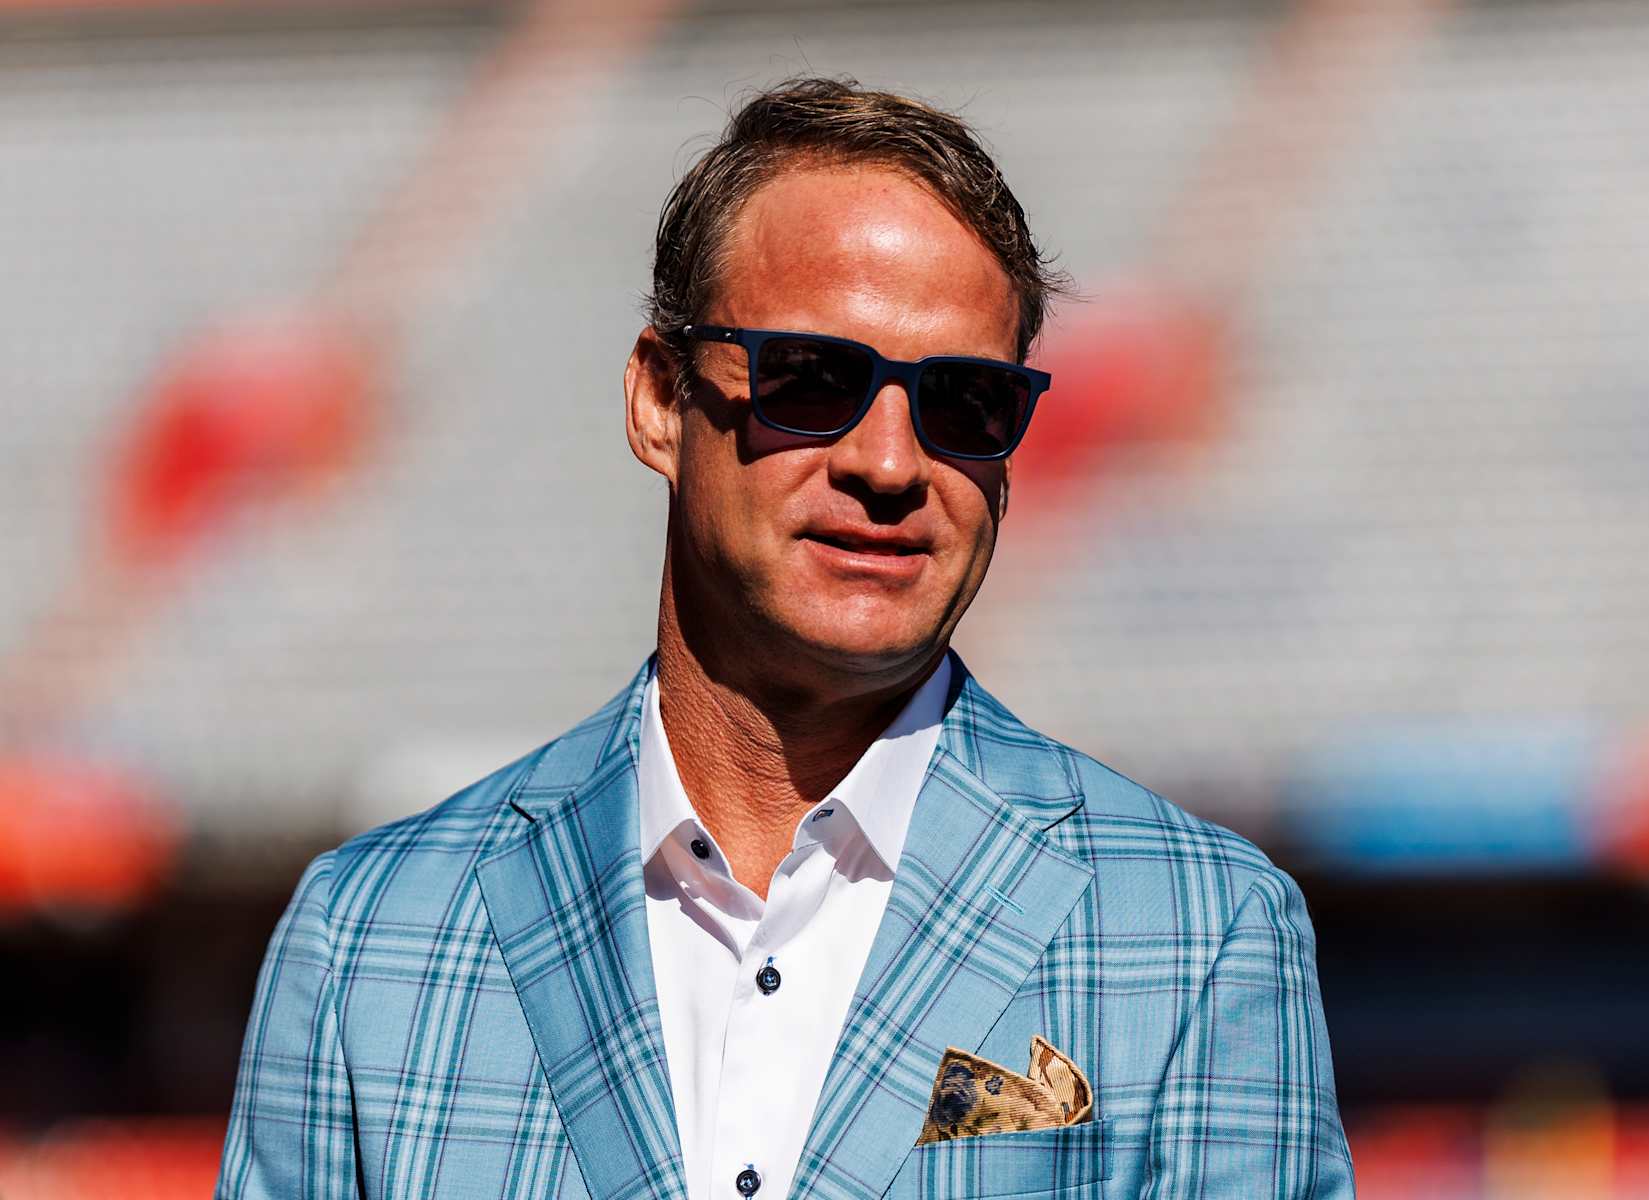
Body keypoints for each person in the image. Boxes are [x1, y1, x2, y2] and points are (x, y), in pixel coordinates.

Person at [217, 77, 1354, 1200]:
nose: (891, 464)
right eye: (814, 380)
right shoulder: (371, 939)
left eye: (965, 403)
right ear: (661, 402)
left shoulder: (1198, 932)